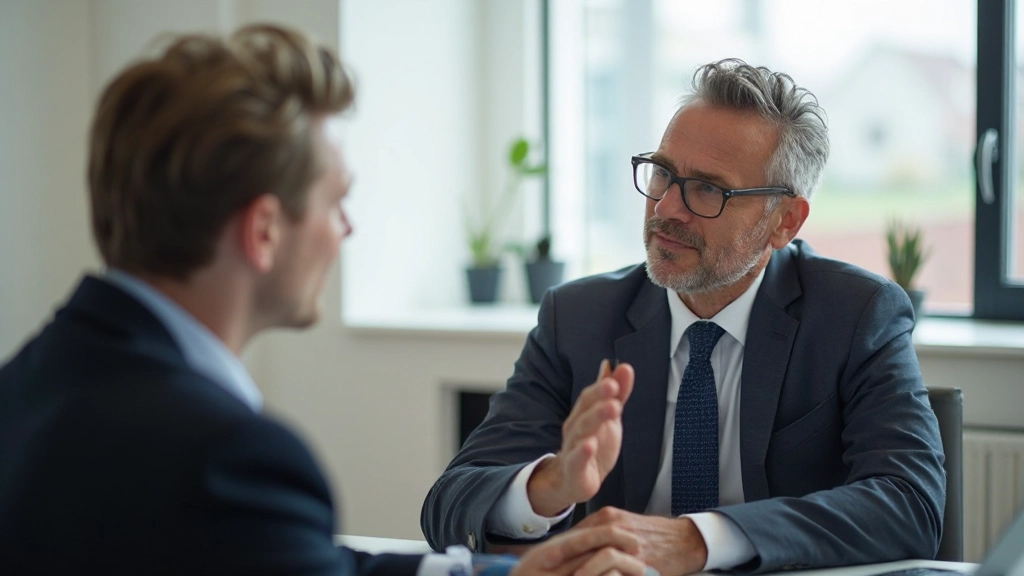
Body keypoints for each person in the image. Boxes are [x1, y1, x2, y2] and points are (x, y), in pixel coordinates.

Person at [0, 24, 651, 576]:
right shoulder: (226, 456)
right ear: (263, 231)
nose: (347, 228)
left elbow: (298, 558)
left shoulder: (34, 379)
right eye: (336, 200)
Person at [421, 59, 946, 576]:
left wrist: (700, 539)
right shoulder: (579, 318)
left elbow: (910, 502)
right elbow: (449, 503)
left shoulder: (855, 315)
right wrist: (550, 485)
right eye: (662, 173)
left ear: (784, 221)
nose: (667, 207)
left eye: (708, 189)